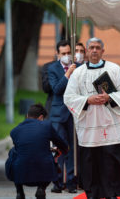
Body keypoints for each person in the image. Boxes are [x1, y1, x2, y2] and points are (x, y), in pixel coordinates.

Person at [64, 37, 120, 199]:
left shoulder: (114, 69)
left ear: (103, 51)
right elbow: (68, 97)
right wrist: (87, 100)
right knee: (90, 165)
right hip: (89, 129)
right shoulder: (78, 73)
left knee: (111, 165)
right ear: (87, 51)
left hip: (111, 128)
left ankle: (111, 194)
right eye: (91, 48)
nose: (94, 50)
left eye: (97, 48)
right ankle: (93, 195)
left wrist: (109, 98)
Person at [6, 104, 68, 199]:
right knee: (49, 156)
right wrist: (64, 150)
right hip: (43, 174)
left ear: (27, 115)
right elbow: (61, 144)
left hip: (21, 174)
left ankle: (19, 191)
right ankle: (41, 188)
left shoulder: (15, 131)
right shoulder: (47, 126)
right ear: (41, 117)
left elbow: (24, 147)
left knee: (13, 152)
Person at [48, 40, 81, 193]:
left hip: (74, 112)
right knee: (60, 148)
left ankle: (71, 182)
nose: (67, 56)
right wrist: (68, 74)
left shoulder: (79, 67)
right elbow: (56, 89)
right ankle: (58, 181)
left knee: (72, 149)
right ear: (57, 54)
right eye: (64, 54)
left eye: (69, 53)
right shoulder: (53, 68)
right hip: (58, 113)